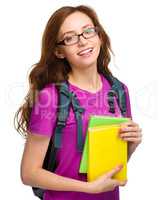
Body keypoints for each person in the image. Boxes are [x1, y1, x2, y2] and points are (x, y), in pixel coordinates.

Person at [14, 5, 142, 200]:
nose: (82, 41)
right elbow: (29, 173)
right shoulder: (49, 98)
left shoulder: (119, 91)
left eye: (88, 31)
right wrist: (89, 188)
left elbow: (113, 161)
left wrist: (130, 146)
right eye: (70, 38)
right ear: (59, 51)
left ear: (99, 36)